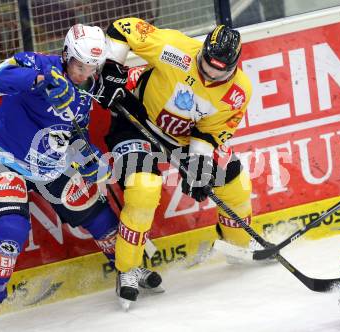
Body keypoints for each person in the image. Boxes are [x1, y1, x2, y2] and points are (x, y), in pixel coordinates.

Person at [0, 24, 162, 332]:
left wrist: (88, 159)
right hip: (7, 161)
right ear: (66, 55)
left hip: (50, 166)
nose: (84, 74)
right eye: (79, 66)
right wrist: (40, 80)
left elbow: (70, 136)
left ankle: (127, 266)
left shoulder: (84, 92)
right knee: (11, 230)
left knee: (98, 217)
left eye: (91, 68)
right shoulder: (39, 63)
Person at [96, 18, 254, 304]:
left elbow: (209, 132)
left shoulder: (238, 93)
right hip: (136, 121)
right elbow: (123, 28)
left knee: (236, 183)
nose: (211, 74)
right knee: (143, 188)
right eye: (209, 64)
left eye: (222, 70)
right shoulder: (175, 49)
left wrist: (199, 165)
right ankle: (127, 268)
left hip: (183, 140)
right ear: (203, 51)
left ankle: (240, 245)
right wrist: (111, 68)